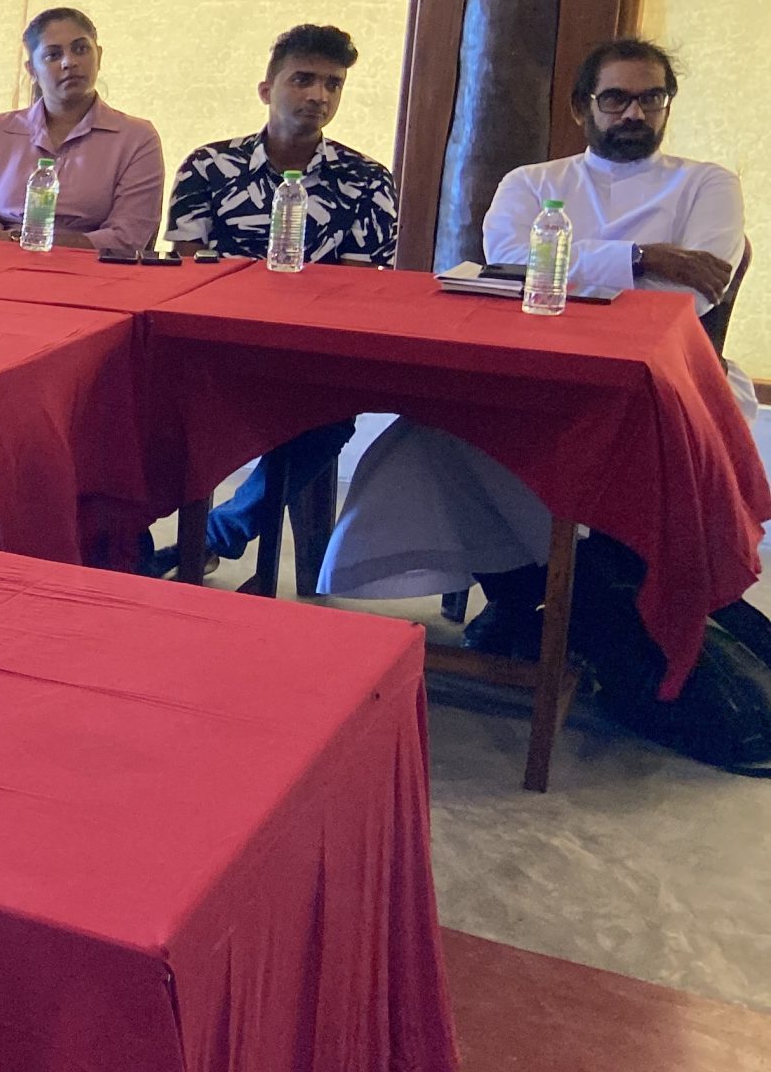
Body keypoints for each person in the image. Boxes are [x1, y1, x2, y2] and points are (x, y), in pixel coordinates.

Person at [324, 38, 758, 659]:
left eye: (651, 98)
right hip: (532, 373)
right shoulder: (533, 183)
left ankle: (577, 604)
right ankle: (528, 594)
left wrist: (568, 269)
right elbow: (508, 262)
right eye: (616, 98)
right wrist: (645, 257)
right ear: (583, 107)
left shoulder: (706, 184)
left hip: (662, 381)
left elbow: (693, 294)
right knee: (428, 439)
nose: (635, 113)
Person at [164, 24, 399, 564]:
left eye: (333, 84)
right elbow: (184, 273)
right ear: (267, 89)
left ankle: (216, 536)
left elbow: (362, 290)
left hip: (312, 352)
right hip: (217, 343)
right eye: (303, 79)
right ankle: (124, 543)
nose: (319, 95)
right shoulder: (210, 167)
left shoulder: (367, 180)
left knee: (330, 415)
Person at [0, 8, 165, 257]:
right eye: (53, 55)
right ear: (32, 70)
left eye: (81, 49)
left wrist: (21, 239)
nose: (69, 62)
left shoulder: (137, 138)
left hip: (95, 272)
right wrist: (28, 243)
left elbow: (127, 238)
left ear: (98, 55)